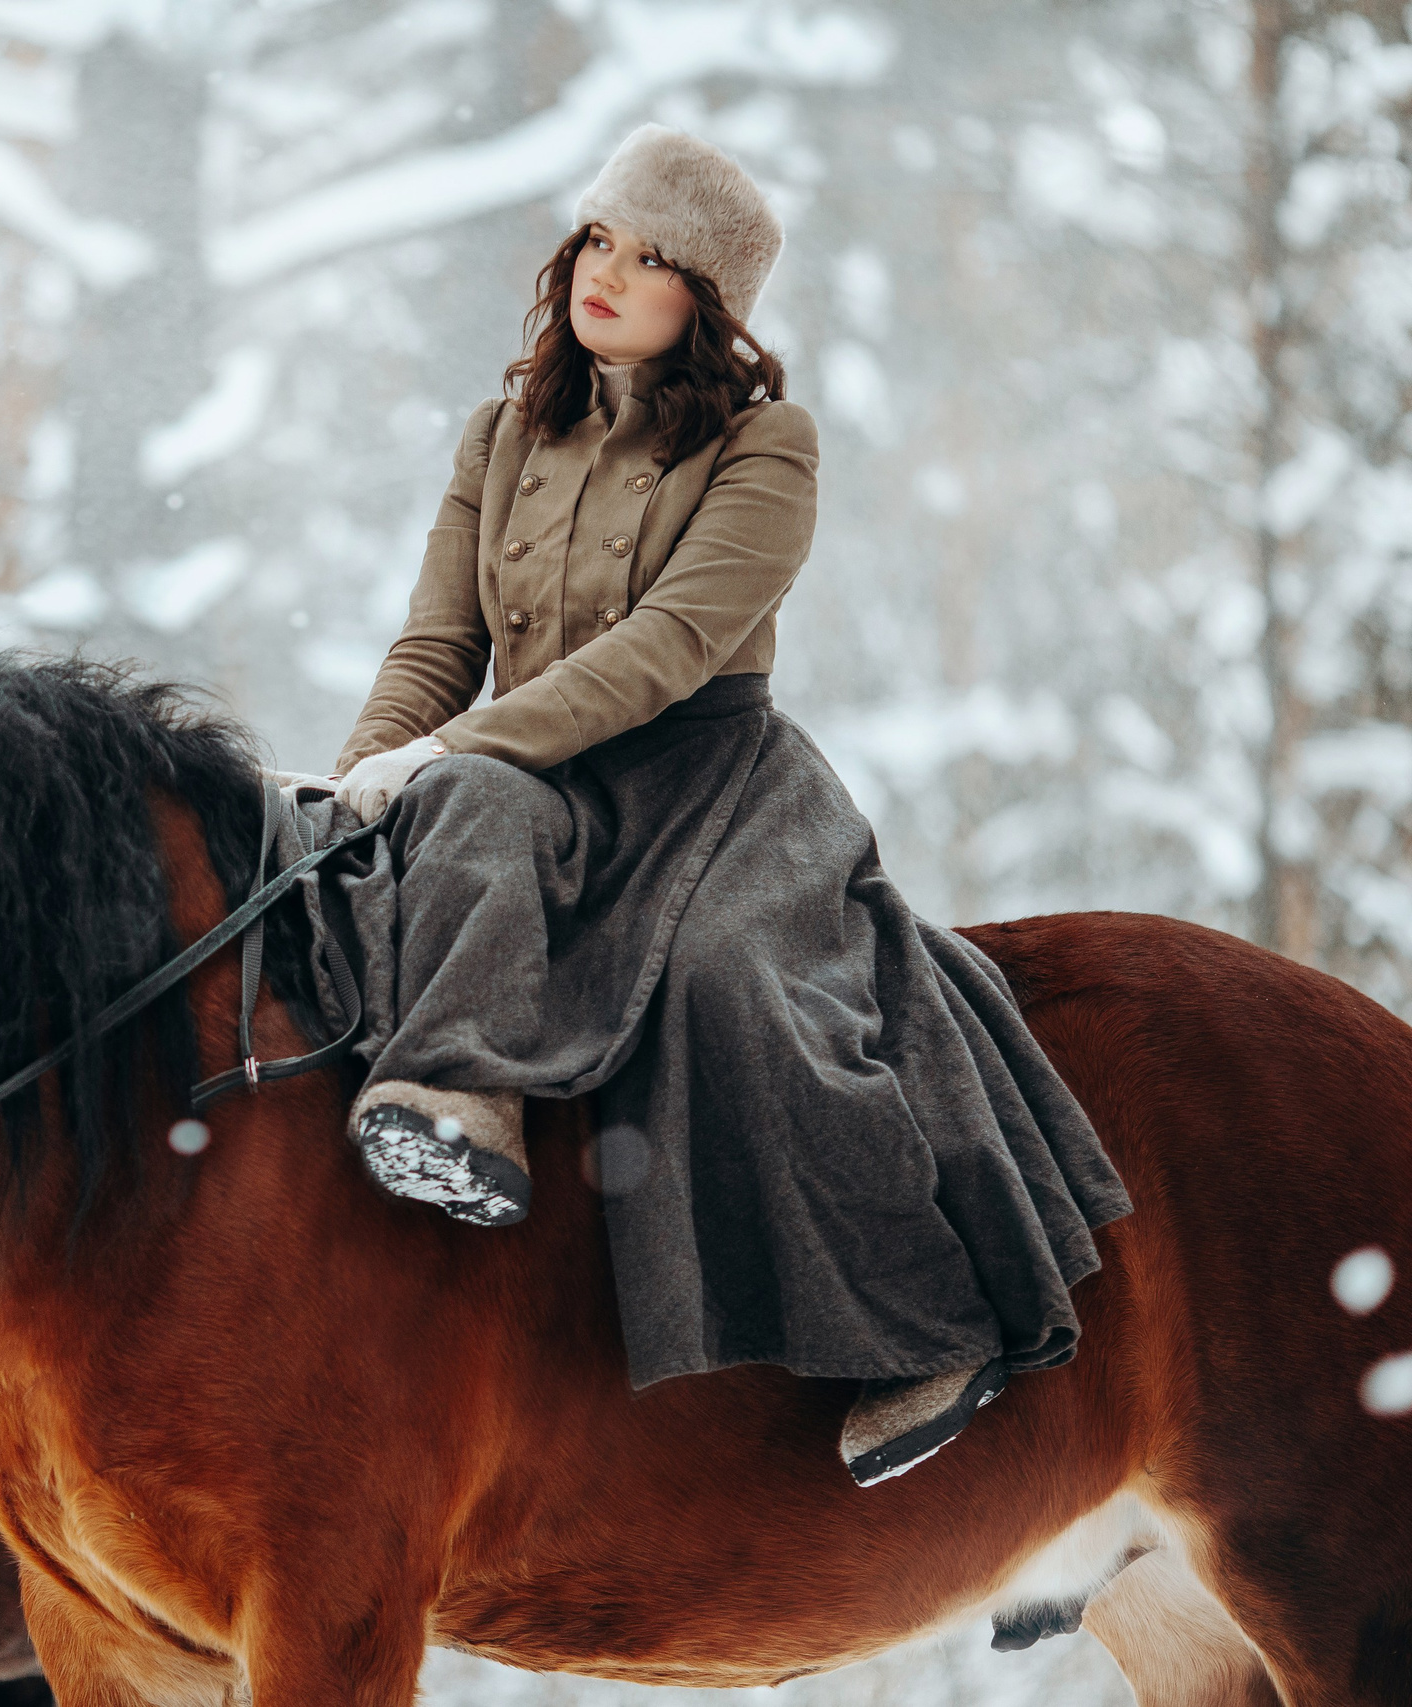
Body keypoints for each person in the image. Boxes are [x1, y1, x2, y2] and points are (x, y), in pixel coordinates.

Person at [321, 124, 1133, 1486]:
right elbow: (438, 641)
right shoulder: (501, 434)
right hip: (527, 771)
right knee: (442, 836)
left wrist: (455, 746)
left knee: (734, 983)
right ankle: (458, 1111)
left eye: (653, 259)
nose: (608, 275)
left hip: (709, 780)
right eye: (599, 239)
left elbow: (666, 651)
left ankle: (926, 1329)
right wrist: (369, 767)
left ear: (707, 302)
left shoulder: (769, 446)